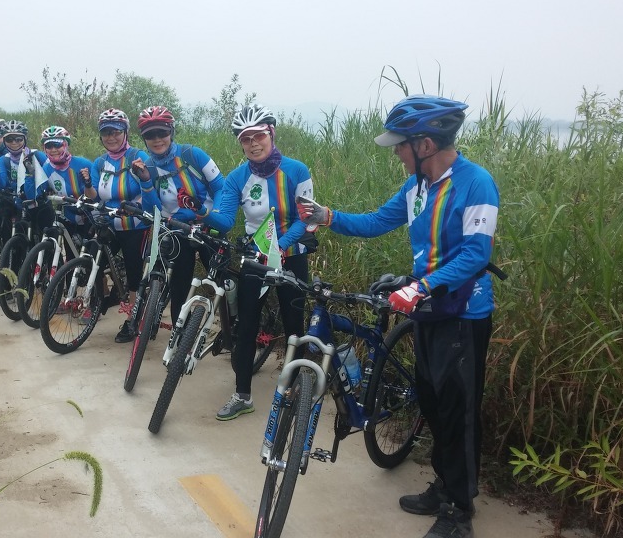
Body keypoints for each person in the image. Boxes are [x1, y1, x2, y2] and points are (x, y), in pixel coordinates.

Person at [297, 95, 499, 538]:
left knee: (458, 413)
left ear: (425, 144)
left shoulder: (476, 184)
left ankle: (459, 511)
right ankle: (444, 486)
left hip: (463, 315)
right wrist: (327, 216)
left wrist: (420, 286)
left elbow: (475, 255)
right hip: (428, 309)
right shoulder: (417, 187)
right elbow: (375, 222)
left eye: (400, 145)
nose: (396, 153)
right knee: (432, 402)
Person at [203, 104, 314, 421]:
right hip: (256, 258)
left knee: (294, 325)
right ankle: (242, 396)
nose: (253, 143)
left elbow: (305, 219)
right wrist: (202, 212)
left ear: (271, 134)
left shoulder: (297, 171)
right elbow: (226, 219)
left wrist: (281, 245)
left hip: (292, 256)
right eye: (245, 138)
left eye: (258, 136)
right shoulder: (237, 177)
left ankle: (294, 389)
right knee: (247, 325)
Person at [132, 105, 224, 323]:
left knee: (223, 281)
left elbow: (221, 188)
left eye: (162, 132)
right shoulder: (147, 167)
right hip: (177, 230)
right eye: (150, 135)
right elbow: (153, 211)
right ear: (144, 139)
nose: (157, 139)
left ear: (171, 132)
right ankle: (179, 337)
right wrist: (145, 182)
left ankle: (233, 326)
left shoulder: (192, 154)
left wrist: (215, 216)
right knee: (179, 288)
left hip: (207, 225)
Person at [82, 109, 150, 343]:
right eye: (106, 133)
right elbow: (93, 196)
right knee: (94, 257)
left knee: (133, 270)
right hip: (109, 222)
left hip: (135, 224)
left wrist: (134, 206)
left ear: (125, 133)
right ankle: (101, 297)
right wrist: (87, 185)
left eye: (116, 132)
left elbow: (149, 190)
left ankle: (133, 319)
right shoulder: (100, 162)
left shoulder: (138, 156)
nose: (111, 137)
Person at [35, 127, 91, 239]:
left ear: (66, 145)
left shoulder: (83, 163)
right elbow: (38, 193)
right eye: (49, 146)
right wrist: (29, 174)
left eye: (57, 145)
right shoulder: (46, 169)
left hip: (89, 216)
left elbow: (97, 192)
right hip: (67, 217)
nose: (53, 149)